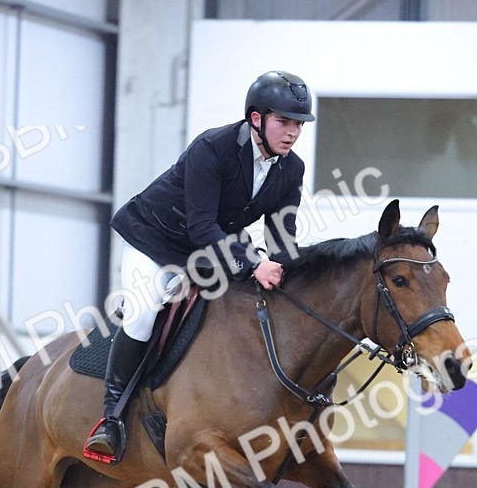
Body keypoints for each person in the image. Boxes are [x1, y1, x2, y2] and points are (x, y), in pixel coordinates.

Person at [84, 69, 315, 461]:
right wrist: (252, 263)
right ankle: (111, 420)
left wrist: (293, 272)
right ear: (256, 119)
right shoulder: (213, 147)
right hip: (156, 240)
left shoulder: (290, 168)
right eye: (283, 122)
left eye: (298, 124)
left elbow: (281, 235)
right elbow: (201, 224)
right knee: (143, 312)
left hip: (209, 251)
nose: (292, 132)